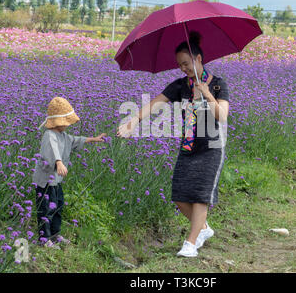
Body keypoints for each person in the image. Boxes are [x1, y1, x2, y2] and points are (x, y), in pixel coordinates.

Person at [117, 32, 230, 258]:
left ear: (198, 59)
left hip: (211, 148)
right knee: (179, 195)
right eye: (180, 65)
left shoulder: (218, 84)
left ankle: (190, 242)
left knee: (200, 195)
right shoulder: (181, 86)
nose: (183, 68)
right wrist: (133, 121)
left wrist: (207, 94)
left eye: (186, 63)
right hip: (188, 147)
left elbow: (222, 116)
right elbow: (155, 103)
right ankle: (204, 229)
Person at [32, 97, 107, 247]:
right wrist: (59, 162)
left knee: (58, 206)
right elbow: (51, 150)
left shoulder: (63, 136)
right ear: (59, 121)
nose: (67, 125)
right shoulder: (49, 135)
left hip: (55, 181)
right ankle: (44, 239)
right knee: (46, 209)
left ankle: (55, 235)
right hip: (45, 180)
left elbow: (75, 140)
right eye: (66, 122)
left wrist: (93, 139)